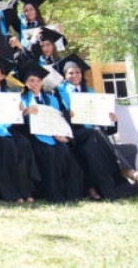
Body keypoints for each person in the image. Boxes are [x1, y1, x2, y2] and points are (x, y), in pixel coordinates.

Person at [59, 59, 138, 201]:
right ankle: (123, 169)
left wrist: (111, 121)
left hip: (92, 134)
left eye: (78, 72)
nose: (75, 75)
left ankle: (104, 191)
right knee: (94, 134)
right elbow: (56, 115)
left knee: (92, 148)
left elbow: (103, 125)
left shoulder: (90, 92)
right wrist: (67, 114)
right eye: (71, 73)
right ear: (65, 75)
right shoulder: (58, 92)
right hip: (73, 133)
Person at [18, 64, 84, 202]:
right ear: (26, 83)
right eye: (31, 81)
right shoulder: (21, 100)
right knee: (49, 154)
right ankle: (55, 195)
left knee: (64, 153)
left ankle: (71, 194)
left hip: (54, 135)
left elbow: (59, 118)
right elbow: (17, 123)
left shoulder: (52, 99)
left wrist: (62, 135)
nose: (35, 83)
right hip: (34, 137)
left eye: (37, 80)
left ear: (42, 82)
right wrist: (25, 112)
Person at [0, 56, 36, 203]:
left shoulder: (10, 94)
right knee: (6, 146)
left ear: (3, 76)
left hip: (8, 129)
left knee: (24, 144)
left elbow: (16, 118)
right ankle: (11, 193)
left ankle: (25, 189)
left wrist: (23, 111)